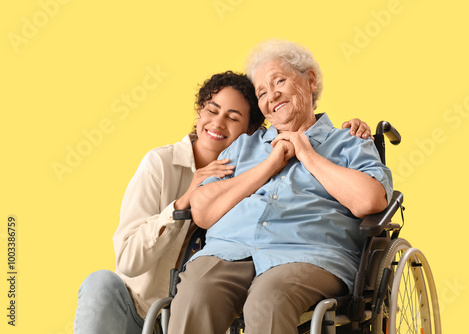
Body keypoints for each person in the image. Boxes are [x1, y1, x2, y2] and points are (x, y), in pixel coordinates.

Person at [74, 70, 371, 334]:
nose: (217, 123)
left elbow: (365, 193)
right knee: (103, 283)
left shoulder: (247, 156)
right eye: (211, 110)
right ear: (199, 113)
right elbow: (129, 258)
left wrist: (339, 137)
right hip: (146, 307)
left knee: (266, 297)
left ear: (253, 130)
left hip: (221, 290)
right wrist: (182, 204)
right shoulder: (162, 163)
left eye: (233, 117)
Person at [168, 40, 393, 334]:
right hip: (228, 250)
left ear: (310, 81)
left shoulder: (349, 141)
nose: (272, 96)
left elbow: (370, 201)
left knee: (268, 299)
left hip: (309, 254)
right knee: (196, 293)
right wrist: (270, 165)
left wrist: (308, 155)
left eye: (280, 81)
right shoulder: (243, 147)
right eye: (262, 92)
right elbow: (203, 210)